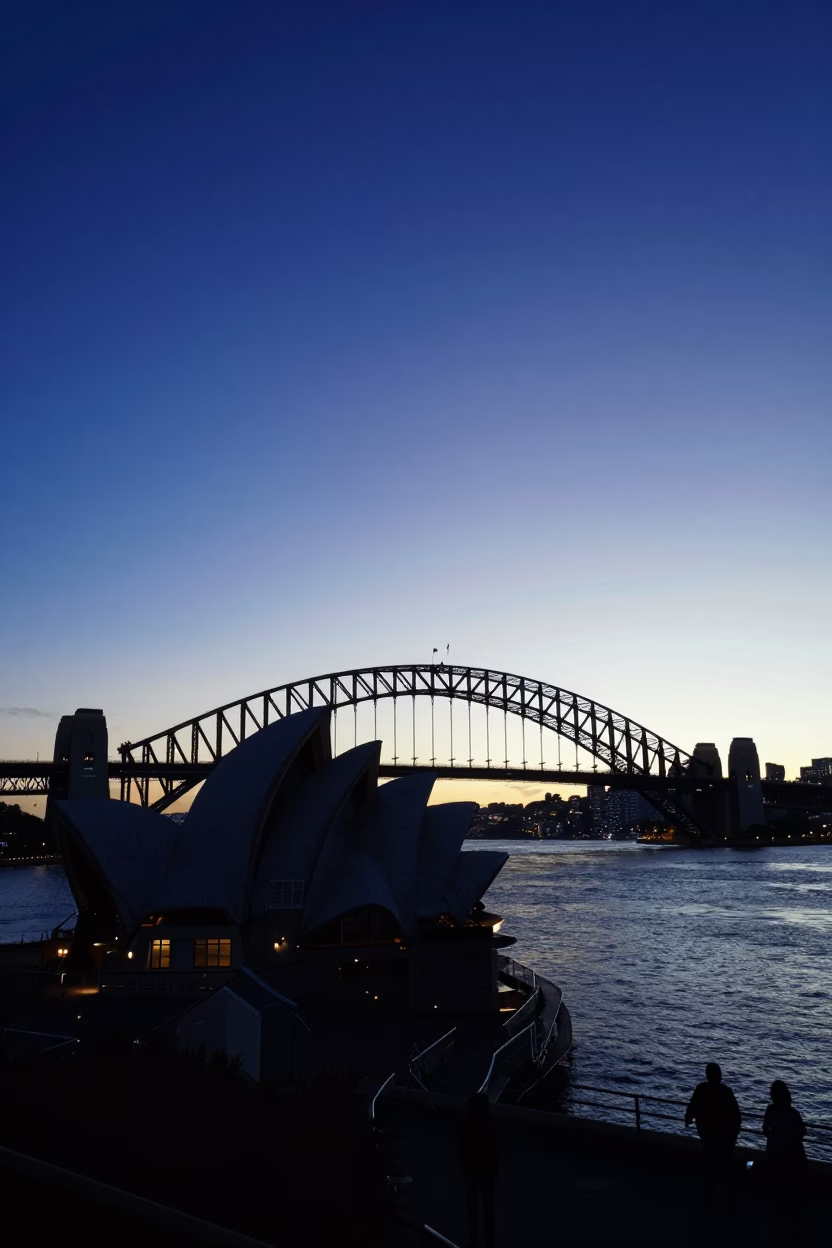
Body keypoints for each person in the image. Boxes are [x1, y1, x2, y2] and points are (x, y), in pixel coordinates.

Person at [685, 1063, 742, 1214]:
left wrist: (689, 1118)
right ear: (719, 1075)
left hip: (707, 1134)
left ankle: (710, 1195)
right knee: (726, 1167)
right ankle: (729, 1198)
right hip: (724, 1137)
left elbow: (692, 1107)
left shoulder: (700, 1089)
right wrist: (734, 1135)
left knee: (710, 1164)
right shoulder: (726, 1092)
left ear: (707, 1075)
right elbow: (736, 1116)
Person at [763, 1080, 806, 1244]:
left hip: (775, 1154)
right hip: (792, 1154)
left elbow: (765, 1130)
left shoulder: (770, 1110)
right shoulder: (793, 1113)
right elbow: (802, 1132)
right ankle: (795, 1224)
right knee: (793, 1188)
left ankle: (782, 1225)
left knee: (779, 1189)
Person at [457, 1092, 499, 1248]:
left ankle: (474, 1240)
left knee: (472, 1207)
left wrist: (463, 1166)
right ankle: (490, 1240)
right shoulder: (490, 1125)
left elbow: (461, 1148)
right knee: (488, 1208)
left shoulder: (465, 1125)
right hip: (487, 1171)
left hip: (471, 1170)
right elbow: (496, 1148)